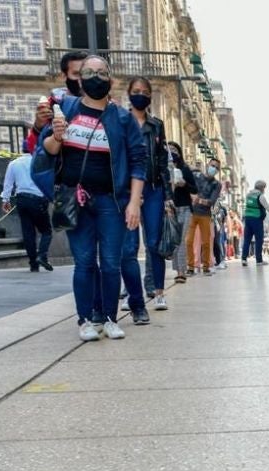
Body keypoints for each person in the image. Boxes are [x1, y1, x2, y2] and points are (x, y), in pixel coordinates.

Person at [34, 54, 145, 342]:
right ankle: (85, 319)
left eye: (102, 72)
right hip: (76, 199)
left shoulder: (122, 118)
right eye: (89, 72)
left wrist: (134, 202)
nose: (96, 76)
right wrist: (57, 136)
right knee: (84, 262)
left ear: (111, 79)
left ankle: (108, 317)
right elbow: (47, 150)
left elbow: (137, 161)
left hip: (112, 200)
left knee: (110, 262)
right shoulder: (66, 109)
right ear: (79, 79)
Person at [119, 76, 172, 321]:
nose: (140, 94)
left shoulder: (157, 125)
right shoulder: (120, 121)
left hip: (152, 189)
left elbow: (162, 162)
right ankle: (133, 296)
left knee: (154, 243)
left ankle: (159, 292)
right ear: (129, 94)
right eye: (136, 90)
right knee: (128, 247)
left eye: (145, 91)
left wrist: (168, 195)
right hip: (127, 190)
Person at [24, 51, 88, 154]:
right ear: (64, 76)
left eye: (85, 73)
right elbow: (32, 148)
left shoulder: (104, 104)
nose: (81, 80)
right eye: (76, 74)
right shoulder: (51, 105)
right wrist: (38, 125)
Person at [1, 152, 54, 272]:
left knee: (28, 233)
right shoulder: (41, 161)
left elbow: (8, 183)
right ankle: (42, 255)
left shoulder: (14, 163)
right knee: (46, 231)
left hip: (21, 199)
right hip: (38, 199)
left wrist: (5, 200)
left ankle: (33, 264)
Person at [186, 157, 222, 276]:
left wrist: (198, 200)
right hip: (192, 213)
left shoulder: (217, 184)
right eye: (213, 166)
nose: (214, 169)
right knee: (189, 241)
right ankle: (191, 267)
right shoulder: (196, 176)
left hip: (205, 215)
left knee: (206, 242)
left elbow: (211, 201)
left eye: (216, 168)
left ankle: (206, 267)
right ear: (208, 165)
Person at [168, 141, 198, 283]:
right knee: (175, 240)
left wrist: (184, 184)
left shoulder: (185, 169)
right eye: (169, 149)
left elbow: (194, 189)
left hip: (185, 208)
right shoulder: (163, 168)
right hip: (170, 209)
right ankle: (178, 270)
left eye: (174, 149)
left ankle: (181, 272)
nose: (172, 152)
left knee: (180, 240)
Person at [242, 180, 269, 266]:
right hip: (256, 220)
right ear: (261, 188)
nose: (264, 190)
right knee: (259, 240)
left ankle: (244, 259)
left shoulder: (248, 195)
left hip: (247, 219)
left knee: (247, 240)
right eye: (264, 188)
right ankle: (259, 261)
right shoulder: (260, 196)